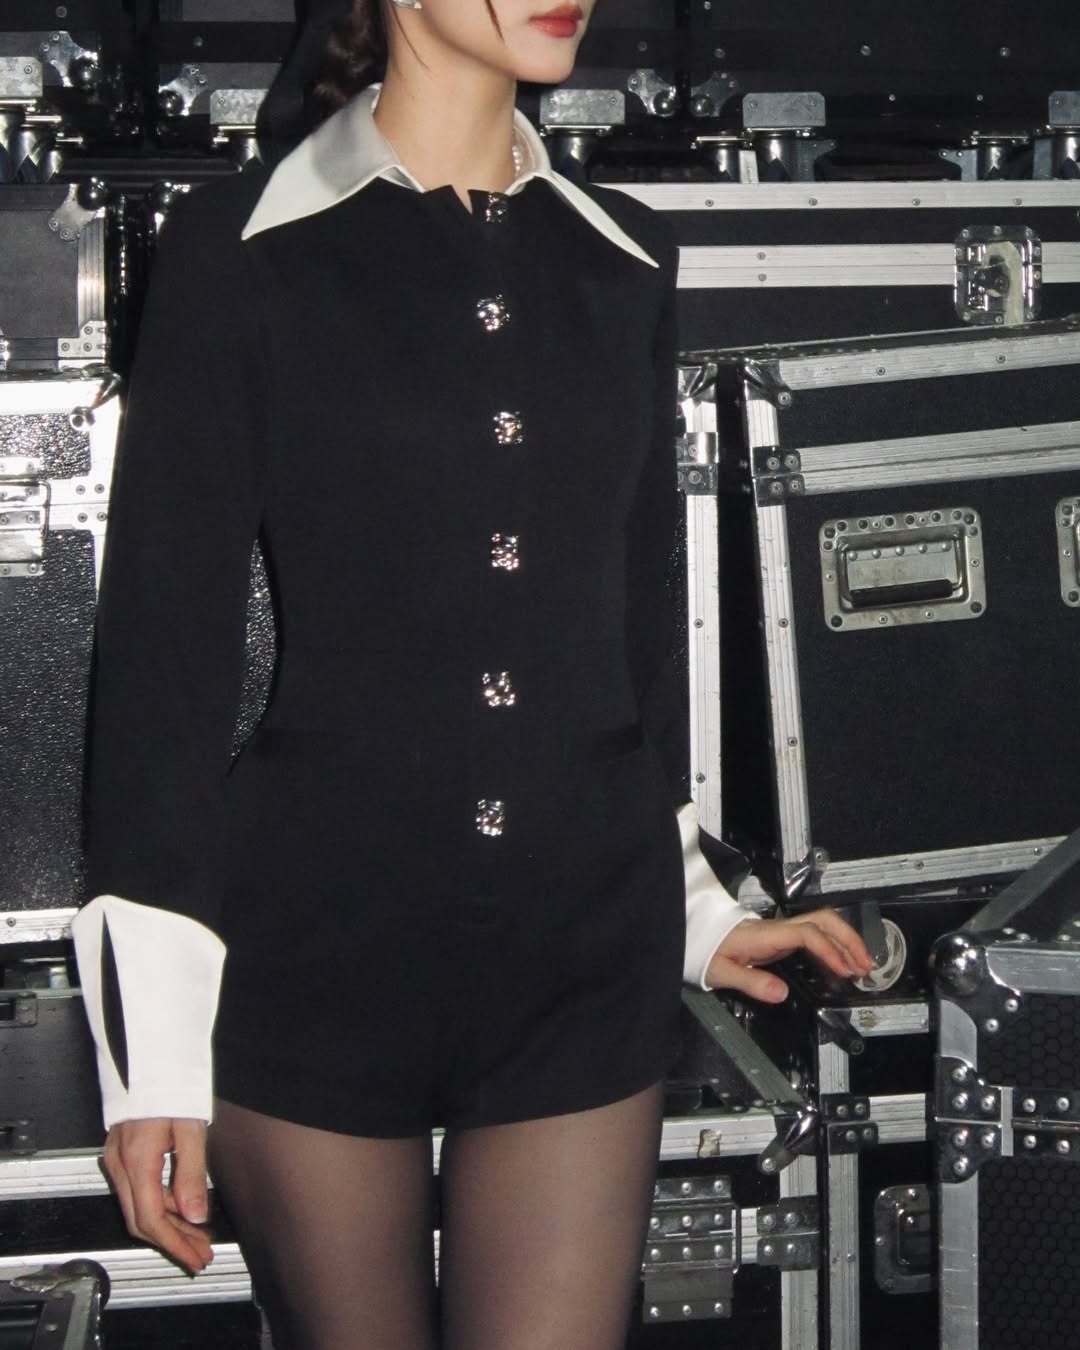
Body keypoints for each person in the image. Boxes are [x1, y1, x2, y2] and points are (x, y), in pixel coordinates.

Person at [71, 3, 874, 1347]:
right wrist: (150, 1053)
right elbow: (164, 668)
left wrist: (695, 910)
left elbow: (631, 646)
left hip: (581, 956)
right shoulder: (239, 249)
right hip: (316, 952)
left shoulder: (624, 257)